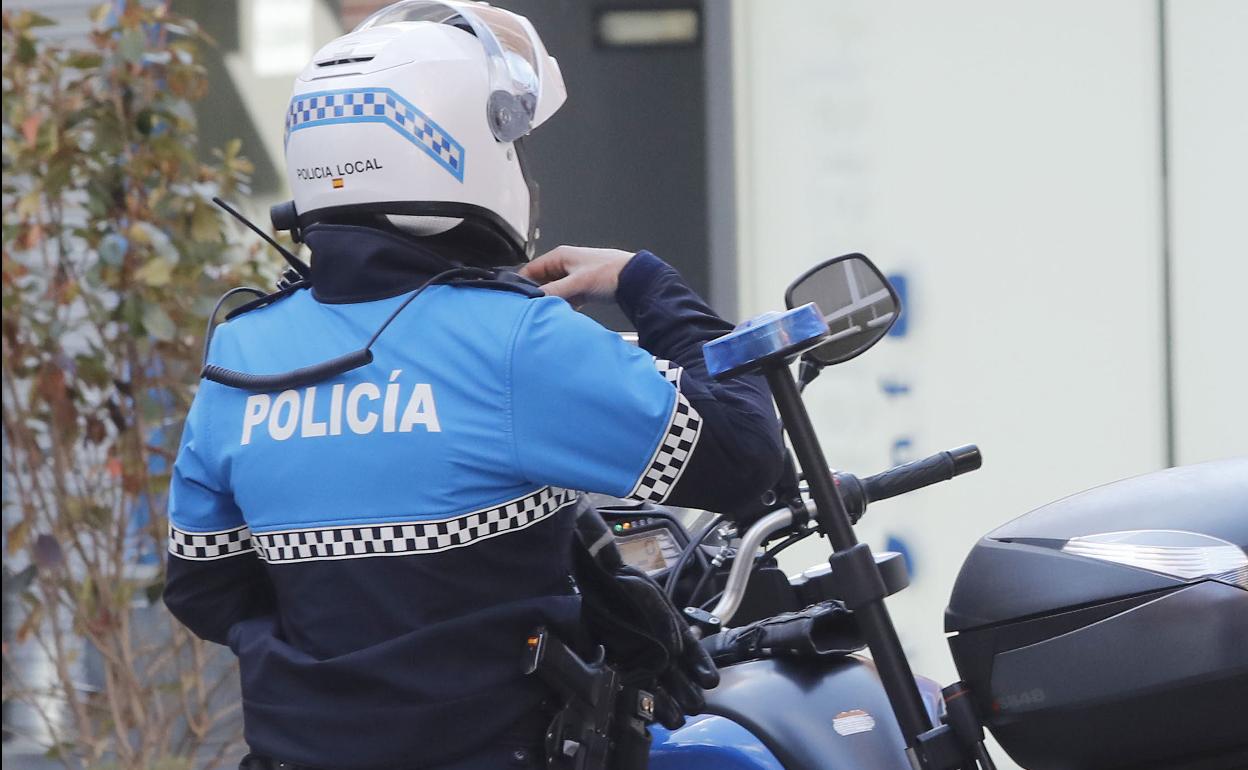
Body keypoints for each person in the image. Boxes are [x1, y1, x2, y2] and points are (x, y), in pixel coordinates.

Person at [163, 2, 783, 768]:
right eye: (508, 144)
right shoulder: (513, 339)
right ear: (453, 146)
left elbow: (204, 588)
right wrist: (646, 282)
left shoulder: (243, 350)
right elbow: (744, 457)